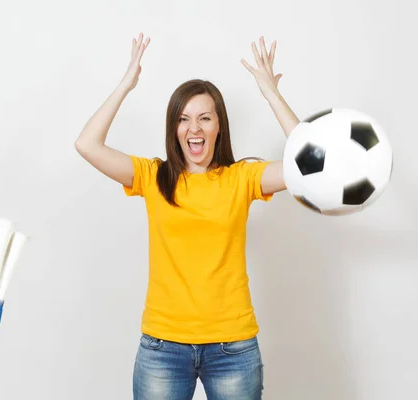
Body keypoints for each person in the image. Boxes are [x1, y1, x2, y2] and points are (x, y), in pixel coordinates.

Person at [75, 33, 300, 400]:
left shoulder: (241, 178)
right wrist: (125, 85)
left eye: (204, 119)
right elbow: (86, 144)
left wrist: (271, 94)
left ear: (218, 127)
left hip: (233, 348)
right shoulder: (152, 177)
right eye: (183, 119)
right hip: (163, 348)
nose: (194, 129)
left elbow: (309, 165)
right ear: (174, 129)